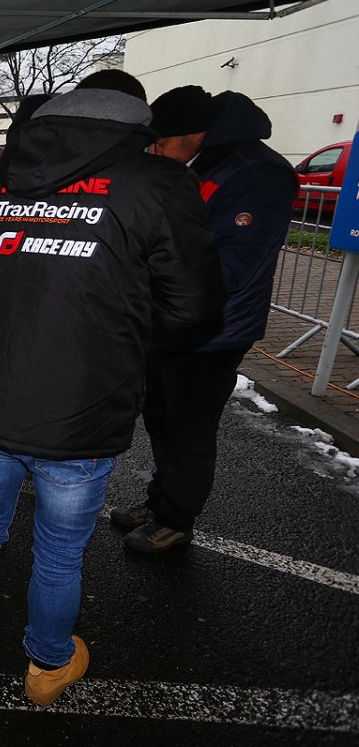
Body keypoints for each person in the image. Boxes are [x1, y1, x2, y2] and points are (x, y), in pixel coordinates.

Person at [0, 70, 224, 706]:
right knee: (58, 555)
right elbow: (195, 312)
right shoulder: (158, 186)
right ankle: (45, 668)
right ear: (133, 119)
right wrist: (115, 318)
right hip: (83, 408)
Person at [111, 86, 298, 553]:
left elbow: (232, 266)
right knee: (159, 417)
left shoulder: (259, 173)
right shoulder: (196, 164)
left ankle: (175, 517)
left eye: (161, 142)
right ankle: (160, 500)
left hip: (211, 331)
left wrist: (144, 264)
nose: (155, 151)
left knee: (190, 427)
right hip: (164, 322)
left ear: (195, 135)